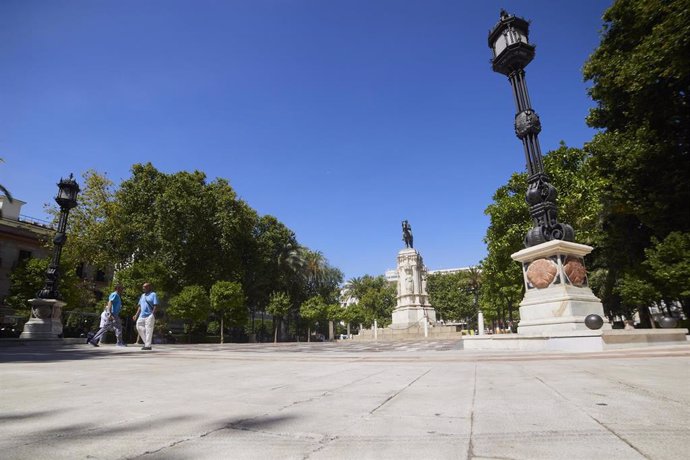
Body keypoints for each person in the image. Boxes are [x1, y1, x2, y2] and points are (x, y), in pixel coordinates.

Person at [133, 282, 158, 351]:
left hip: (149, 315)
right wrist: (136, 315)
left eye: (145, 286)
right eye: (143, 286)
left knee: (149, 330)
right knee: (139, 327)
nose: (143, 288)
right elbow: (140, 306)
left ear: (149, 287)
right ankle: (147, 343)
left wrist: (152, 314)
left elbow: (155, 305)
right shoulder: (142, 295)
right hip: (141, 315)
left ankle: (147, 345)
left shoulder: (153, 294)